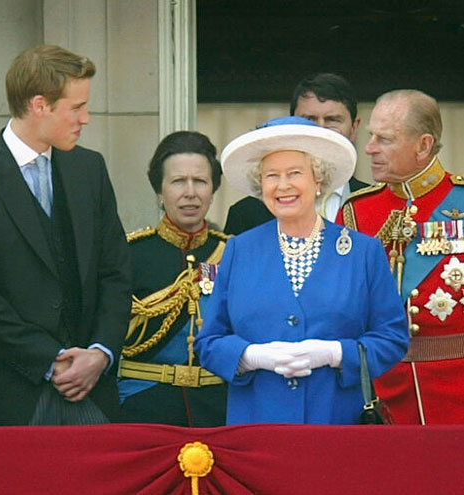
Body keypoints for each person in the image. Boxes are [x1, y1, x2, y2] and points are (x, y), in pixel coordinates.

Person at [0, 45, 131, 426]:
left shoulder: (90, 169)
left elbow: (116, 272)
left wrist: (100, 353)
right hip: (13, 396)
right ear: (40, 105)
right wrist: (50, 360)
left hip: (95, 394)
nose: (86, 118)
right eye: (76, 107)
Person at [195, 116, 408, 425]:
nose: (283, 186)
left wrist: (335, 353)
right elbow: (209, 343)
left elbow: (392, 339)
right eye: (271, 176)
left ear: (318, 180)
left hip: (337, 423)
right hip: (257, 425)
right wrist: (250, 356)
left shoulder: (363, 252)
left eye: (295, 173)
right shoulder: (239, 250)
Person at [338, 89, 464, 424]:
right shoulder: (356, 212)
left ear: (424, 145)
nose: (369, 149)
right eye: (370, 137)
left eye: (385, 139)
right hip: (383, 395)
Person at [118, 131, 229, 427]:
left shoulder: (232, 254)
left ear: (212, 190)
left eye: (200, 181)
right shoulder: (128, 255)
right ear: (159, 191)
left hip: (217, 412)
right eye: (178, 181)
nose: (190, 192)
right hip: (144, 407)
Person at [224, 73, 368, 234]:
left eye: (332, 120)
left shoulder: (376, 205)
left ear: (354, 128)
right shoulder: (246, 214)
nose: (320, 129)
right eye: (309, 120)